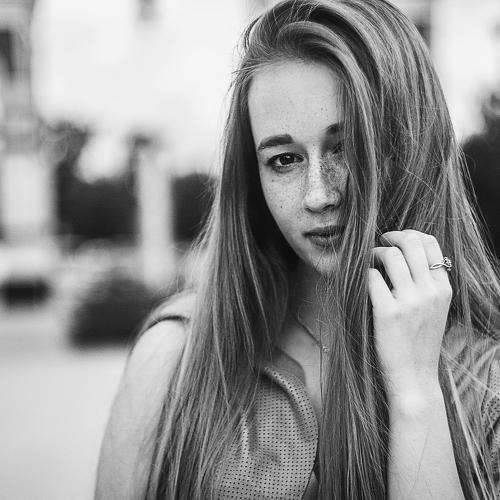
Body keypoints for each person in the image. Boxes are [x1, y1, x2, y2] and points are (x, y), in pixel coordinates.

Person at [95, 0, 500, 498]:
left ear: (412, 143)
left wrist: (416, 393)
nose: (318, 195)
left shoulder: (486, 384)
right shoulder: (176, 361)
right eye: (284, 160)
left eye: (347, 147)